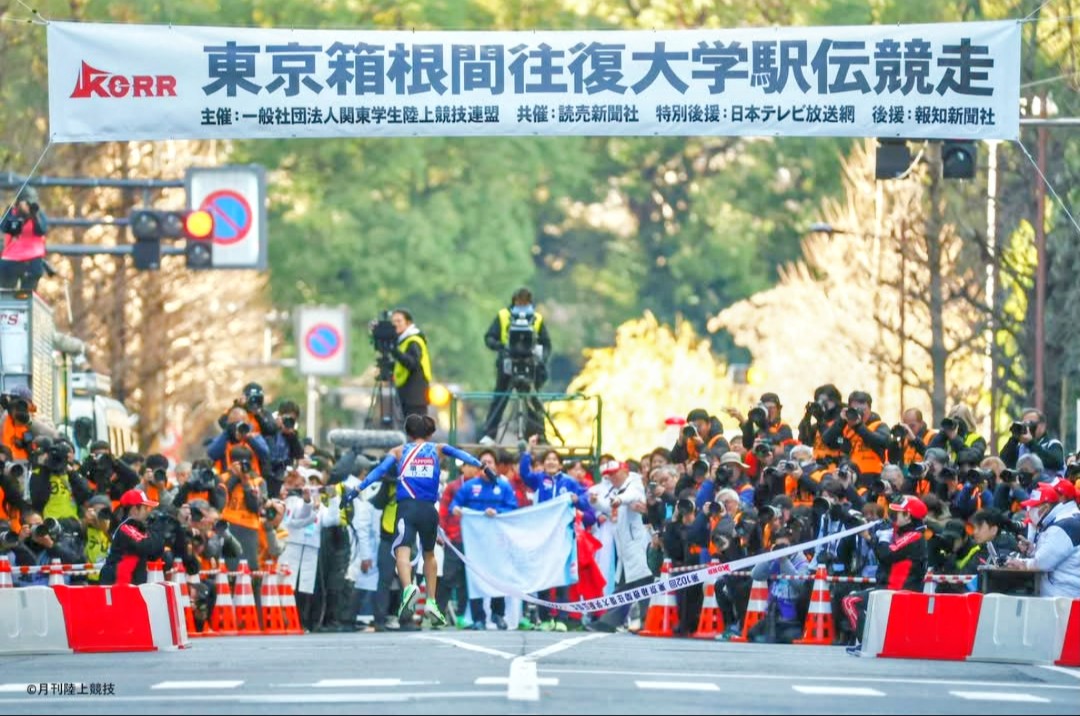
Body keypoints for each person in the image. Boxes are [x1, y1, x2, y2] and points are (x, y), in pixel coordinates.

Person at [352, 414, 492, 628]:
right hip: (428, 510)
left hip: (406, 509)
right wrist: (480, 465)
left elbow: (379, 471)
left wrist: (357, 489)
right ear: (429, 432)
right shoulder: (438, 449)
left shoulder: (398, 451)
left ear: (408, 432)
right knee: (429, 555)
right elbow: (461, 454)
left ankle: (408, 588)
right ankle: (431, 602)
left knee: (402, 552)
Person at [843, 495, 928, 654]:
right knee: (853, 597)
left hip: (900, 591)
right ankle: (870, 643)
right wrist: (868, 535)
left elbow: (886, 555)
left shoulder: (914, 537)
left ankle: (868, 645)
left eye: (897, 514)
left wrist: (882, 537)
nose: (893, 517)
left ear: (908, 516)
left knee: (850, 601)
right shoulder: (901, 533)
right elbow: (883, 550)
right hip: (887, 588)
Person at [450, 455, 518, 630]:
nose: (487, 465)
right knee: (475, 576)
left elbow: (512, 507)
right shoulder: (469, 486)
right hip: (475, 542)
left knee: (498, 575)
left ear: (496, 465)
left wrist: (497, 511)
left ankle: (498, 614)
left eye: (490, 462)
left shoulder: (503, 486)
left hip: (498, 540)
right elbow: (454, 504)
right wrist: (456, 509)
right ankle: (478, 617)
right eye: (483, 462)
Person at [479, 287, 552, 443]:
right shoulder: (503, 316)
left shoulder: (537, 319)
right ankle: (490, 435)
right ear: (514, 301)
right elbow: (489, 338)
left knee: (532, 401)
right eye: (520, 302)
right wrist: (502, 347)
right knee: (500, 399)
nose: (522, 305)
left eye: (525, 302)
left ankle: (537, 435)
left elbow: (546, 343)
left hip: (530, 365)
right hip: (507, 364)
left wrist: (541, 358)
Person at [1005, 485, 1080, 597]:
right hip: (1063, 594)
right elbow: (1054, 554)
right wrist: (1032, 550)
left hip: (1064, 596)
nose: (1030, 511)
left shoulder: (1063, 526)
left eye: (1034, 507)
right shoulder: (1062, 520)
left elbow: (1042, 563)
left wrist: (1022, 563)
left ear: (1045, 507)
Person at [98, 489, 167, 586]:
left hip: (130, 585)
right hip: (119, 585)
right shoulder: (125, 528)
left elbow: (155, 553)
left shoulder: (138, 528)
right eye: (145, 508)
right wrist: (156, 529)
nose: (149, 512)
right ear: (134, 510)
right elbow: (146, 545)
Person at [0, 186, 49, 291]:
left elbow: (42, 230)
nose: (28, 205)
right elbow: (4, 228)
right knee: (6, 292)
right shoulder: (12, 212)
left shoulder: (38, 214)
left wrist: (34, 216)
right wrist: (18, 216)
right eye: (26, 202)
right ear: (19, 202)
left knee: (26, 294)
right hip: (11, 259)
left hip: (32, 260)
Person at [999, 408, 1065, 479]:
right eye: (1024, 424)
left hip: (1047, 484)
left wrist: (1031, 443)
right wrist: (1014, 438)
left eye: (1030, 423)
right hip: (1024, 484)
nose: (1027, 427)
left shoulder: (1053, 444)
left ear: (1042, 426)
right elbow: (1003, 462)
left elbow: (1057, 463)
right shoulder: (1021, 447)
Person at [389, 309, 431, 420]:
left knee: (416, 426)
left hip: (415, 396)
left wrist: (395, 351)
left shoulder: (413, 341)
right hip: (408, 395)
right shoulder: (403, 341)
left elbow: (413, 363)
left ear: (408, 323)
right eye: (393, 321)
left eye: (399, 321)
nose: (395, 324)